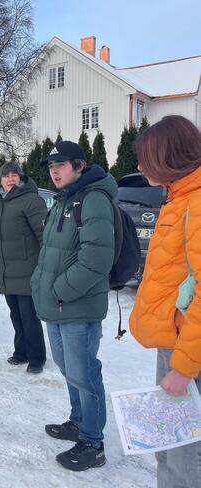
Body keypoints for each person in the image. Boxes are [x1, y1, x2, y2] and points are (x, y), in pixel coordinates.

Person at [31, 141, 116, 471]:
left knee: (85, 374)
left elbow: (96, 260)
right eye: (51, 166)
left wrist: (58, 291)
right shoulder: (62, 199)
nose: (54, 170)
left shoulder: (93, 199)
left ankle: (93, 443)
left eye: (61, 164)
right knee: (69, 371)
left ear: (79, 166)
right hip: (58, 304)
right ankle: (78, 421)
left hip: (77, 306)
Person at [129, 115, 201, 488]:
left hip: (190, 355)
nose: (140, 166)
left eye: (146, 158)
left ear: (169, 157)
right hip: (175, 343)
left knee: (186, 455)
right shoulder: (179, 198)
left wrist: (185, 367)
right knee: (169, 444)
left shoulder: (197, 203)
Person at [0, 162, 47, 373]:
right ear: (0, 180)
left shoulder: (31, 201)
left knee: (29, 316)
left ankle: (37, 357)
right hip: (6, 269)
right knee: (15, 314)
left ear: (21, 178)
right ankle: (21, 352)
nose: (10, 179)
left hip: (28, 269)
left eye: (14, 175)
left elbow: (43, 236)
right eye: (6, 175)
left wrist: (46, 266)